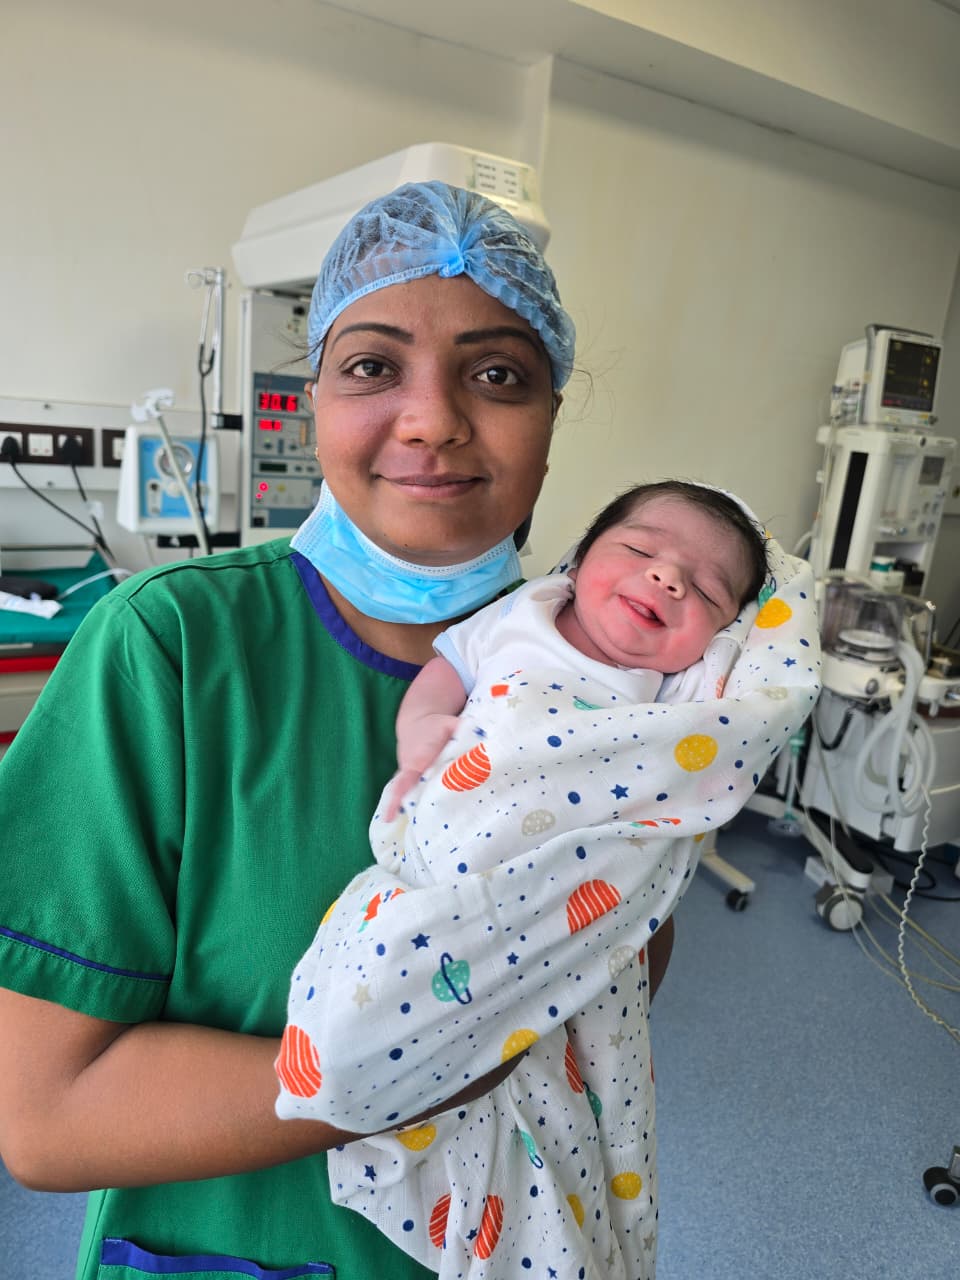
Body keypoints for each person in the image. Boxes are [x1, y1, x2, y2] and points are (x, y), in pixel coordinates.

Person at [0, 181, 819, 1280]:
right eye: (373, 366)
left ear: (552, 423)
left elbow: (606, 987)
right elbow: (47, 1119)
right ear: (315, 401)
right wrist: (414, 1072)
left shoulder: (625, 698)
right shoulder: (172, 647)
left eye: (498, 374)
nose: (432, 419)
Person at [281, 480, 775, 1280]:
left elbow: (712, 754)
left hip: (558, 899)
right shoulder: (521, 617)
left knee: (566, 1097)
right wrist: (421, 727)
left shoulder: (672, 700)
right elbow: (446, 673)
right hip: (452, 852)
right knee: (381, 988)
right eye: (640, 550)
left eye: (709, 590)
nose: (668, 578)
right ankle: (379, 1090)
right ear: (579, 560)